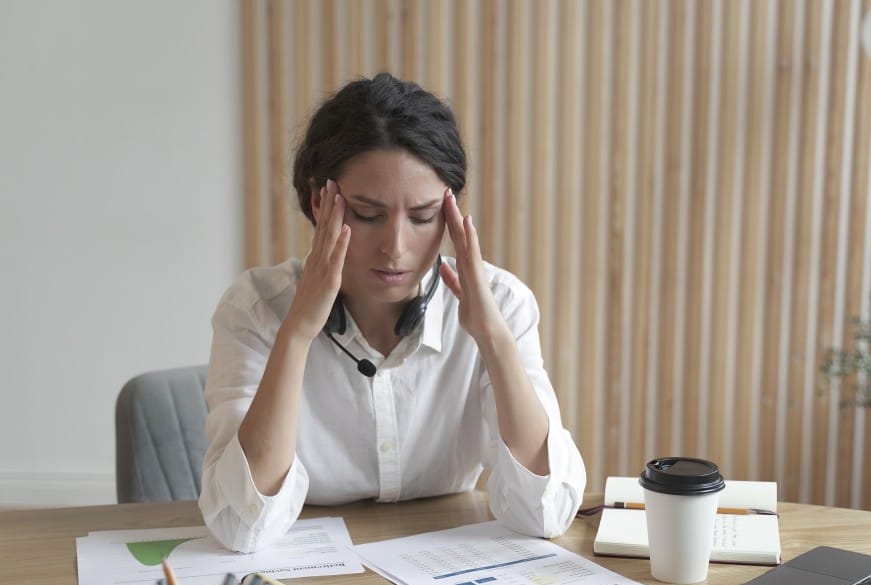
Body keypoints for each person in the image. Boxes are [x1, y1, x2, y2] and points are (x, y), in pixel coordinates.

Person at [199, 73, 586, 552]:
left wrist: (494, 339)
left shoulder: (502, 303)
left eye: (423, 217)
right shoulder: (256, 309)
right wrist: (297, 333)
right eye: (366, 214)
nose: (395, 248)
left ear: (450, 214)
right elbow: (241, 527)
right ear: (321, 203)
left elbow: (545, 514)